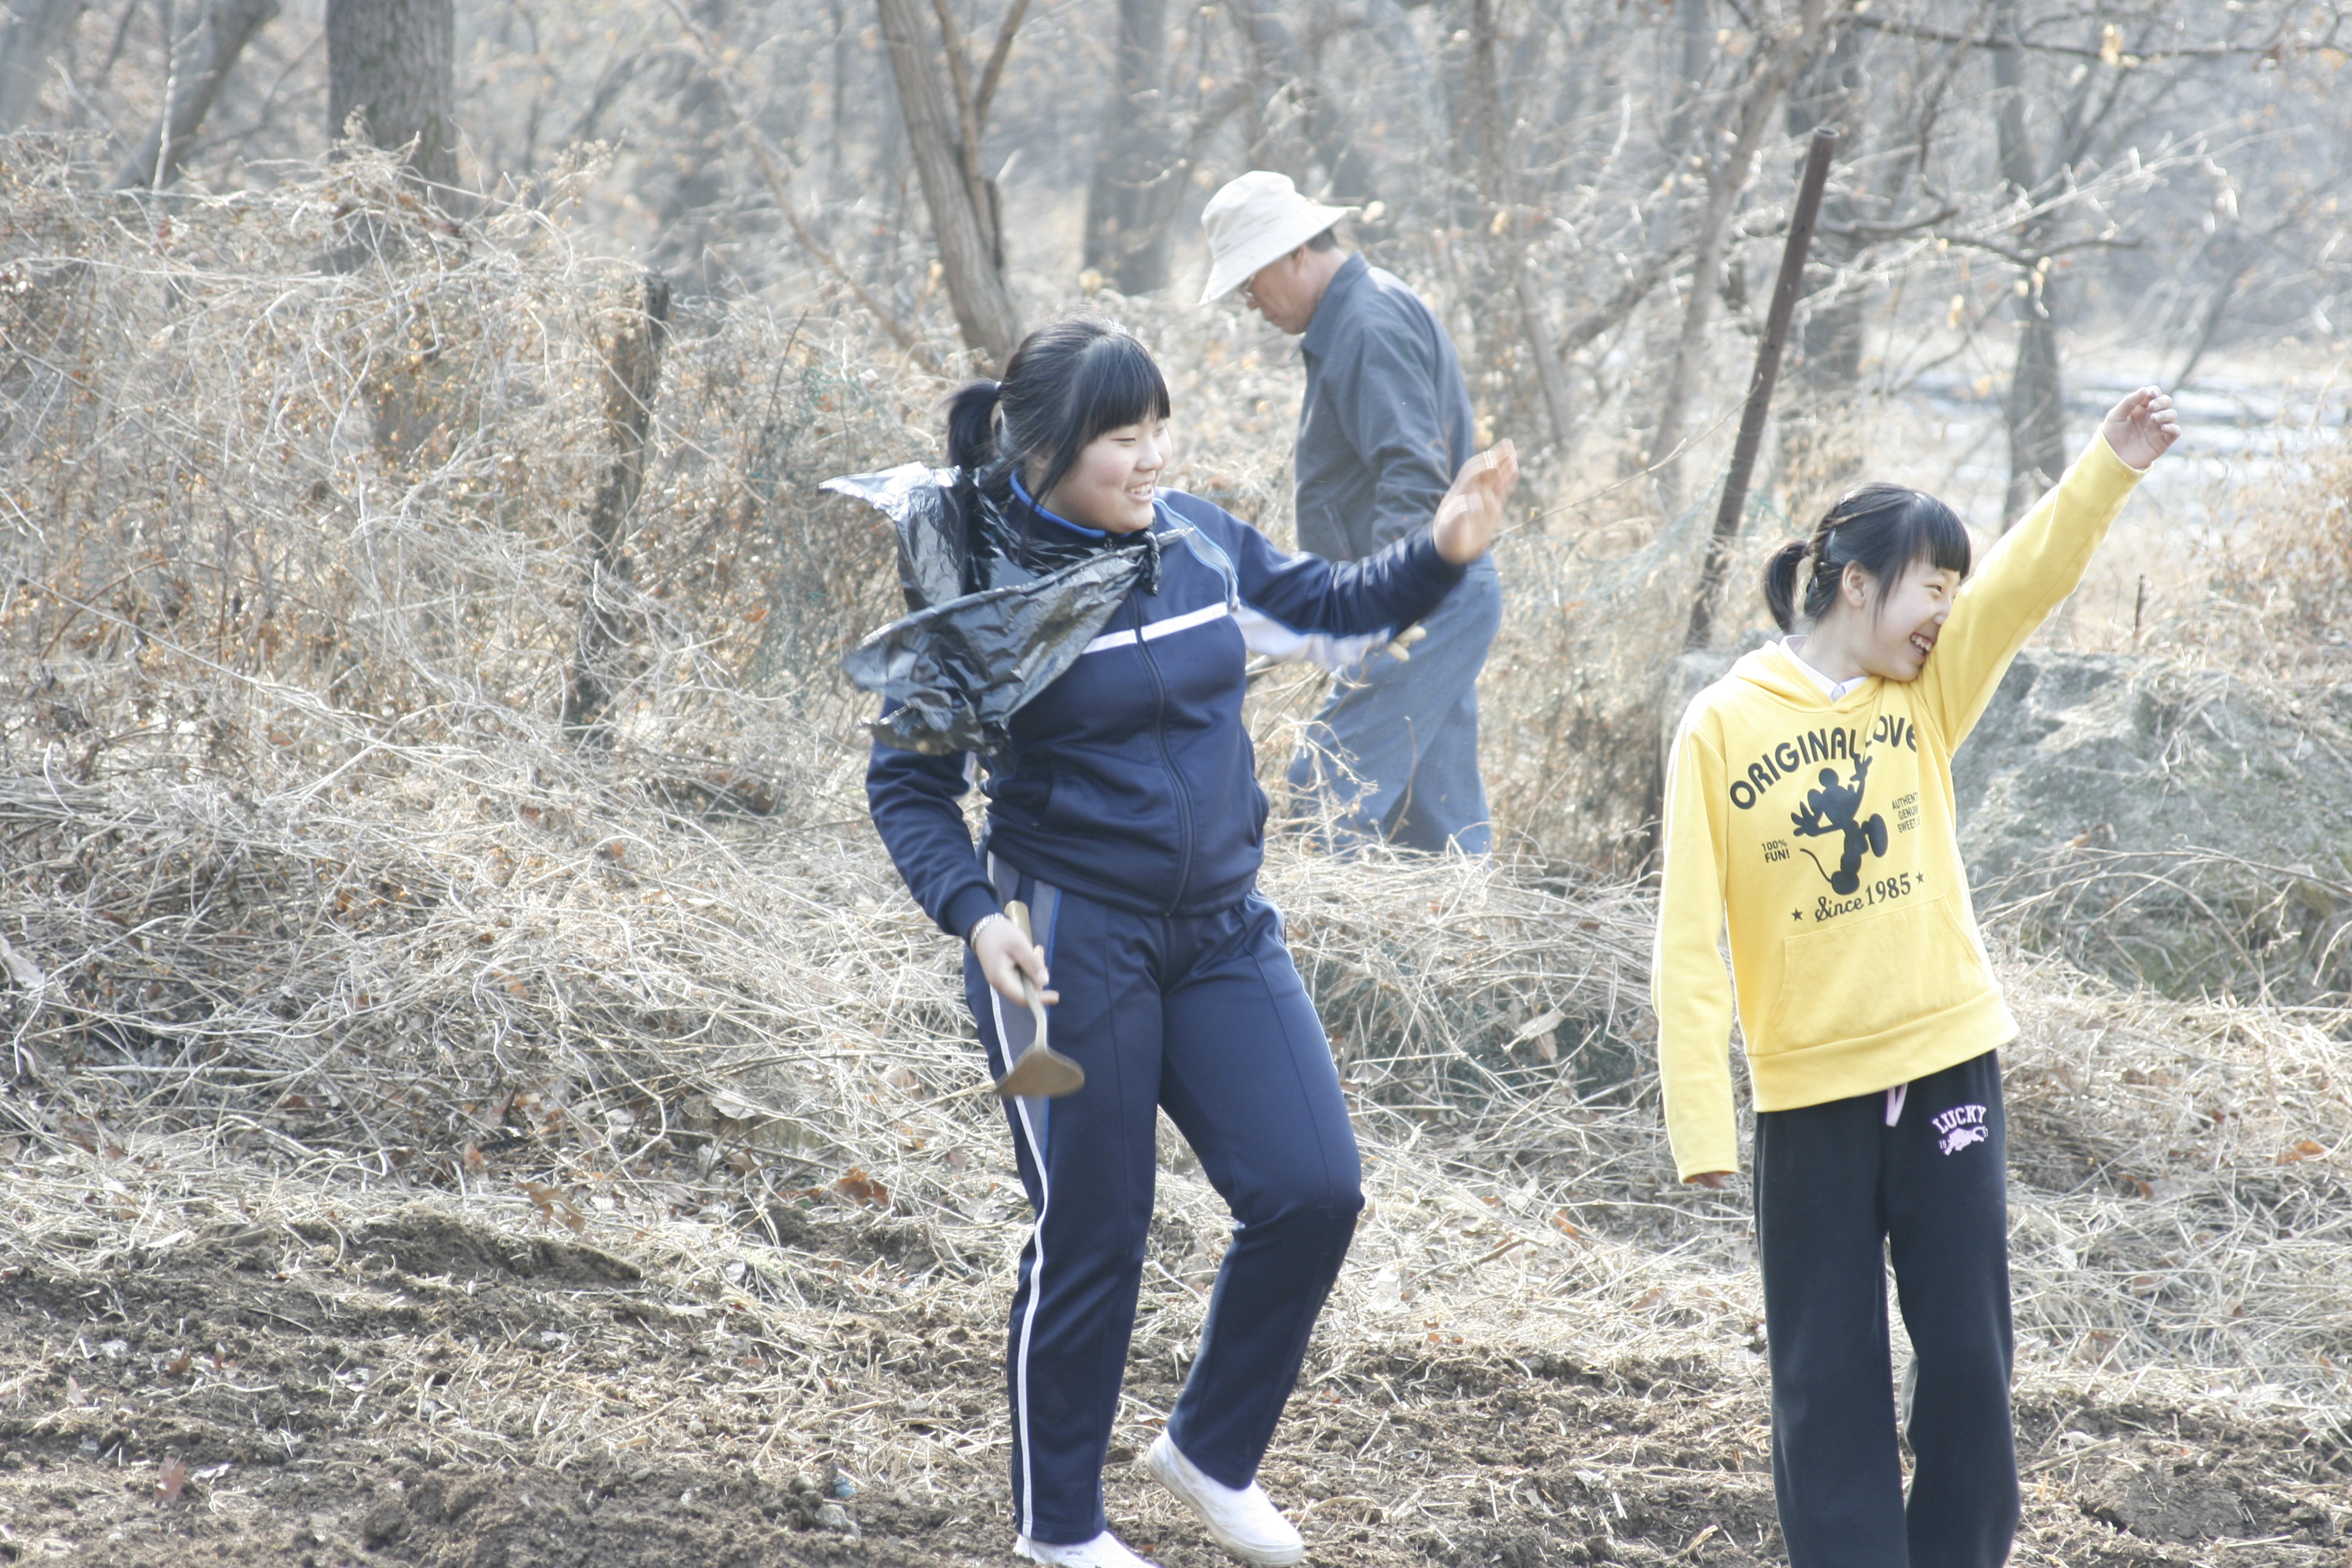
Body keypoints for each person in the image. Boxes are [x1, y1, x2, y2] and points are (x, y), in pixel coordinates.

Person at [861, 318, 1519, 1568]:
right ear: (1046, 449)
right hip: (1061, 940)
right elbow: (909, 786)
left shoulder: (1198, 542)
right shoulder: (986, 593)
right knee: (1094, 1229)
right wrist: (976, 913)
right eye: (1122, 437)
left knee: (1314, 1190)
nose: (1152, 456)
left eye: (1158, 427)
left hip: (1222, 928)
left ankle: (1210, 1451)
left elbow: (1326, 610)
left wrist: (1439, 550)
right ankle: (1061, 1534)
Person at [1651, 387, 2180, 1568]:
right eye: (1930, 586)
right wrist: (1700, 1118)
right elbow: (1688, 939)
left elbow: (2025, 584)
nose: (1947, 609)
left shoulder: (1924, 697)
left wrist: (2108, 464)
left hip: (1946, 1067)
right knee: (1825, 1370)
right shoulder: (1719, 726)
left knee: (1967, 1358)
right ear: (1857, 584)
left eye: (1952, 589)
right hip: (1808, 1100)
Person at [1200, 170, 1501, 855]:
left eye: (1250, 279)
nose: (1249, 301)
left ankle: (1335, 930)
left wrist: (1389, 604)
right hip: (1437, 593)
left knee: (1325, 789)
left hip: (1424, 600)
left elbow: (1413, 475)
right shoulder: (1360, 314)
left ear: (1293, 253)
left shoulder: (1366, 323)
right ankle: (1462, 925)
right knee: (1436, 828)